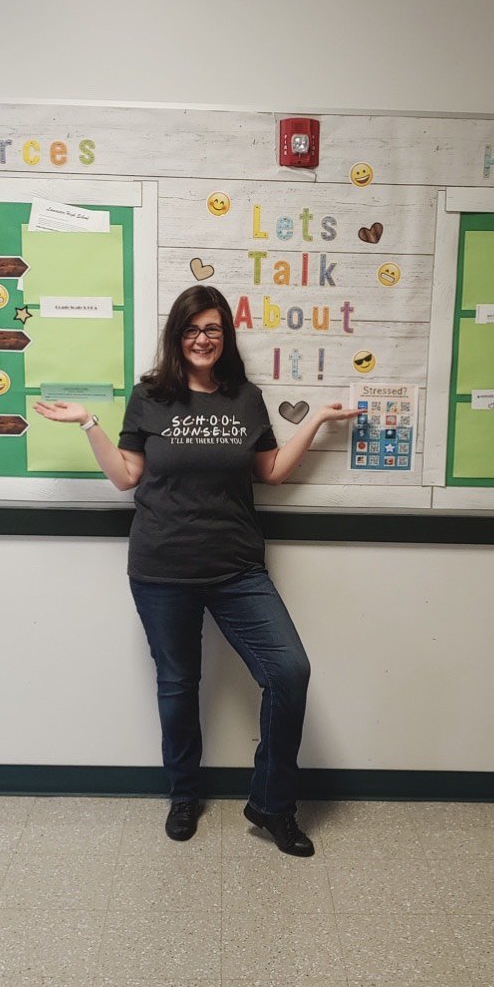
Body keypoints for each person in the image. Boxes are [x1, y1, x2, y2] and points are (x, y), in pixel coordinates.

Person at [34, 285, 356, 856]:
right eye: (191, 329)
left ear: (225, 336)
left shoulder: (245, 398)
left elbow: (272, 471)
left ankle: (272, 804)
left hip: (237, 569)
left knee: (289, 673)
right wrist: (89, 424)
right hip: (162, 567)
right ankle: (184, 794)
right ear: (176, 336)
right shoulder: (150, 397)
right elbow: (127, 477)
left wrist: (319, 422)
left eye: (212, 329)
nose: (202, 339)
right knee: (178, 686)